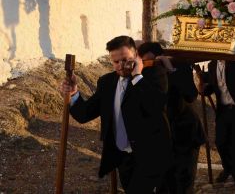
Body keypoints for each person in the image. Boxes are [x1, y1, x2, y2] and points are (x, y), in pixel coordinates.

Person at [60, 36, 171, 193]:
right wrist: (74, 94)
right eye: (115, 62)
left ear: (136, 56)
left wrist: (137, 76)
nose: (120, 66)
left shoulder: (153, 75)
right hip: (123, 157)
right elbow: (85, 114)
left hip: (150, 155)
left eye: (125, 60)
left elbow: (155, 105)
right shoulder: (106, 83)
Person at [137, 42, 205, 194]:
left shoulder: (178, 67)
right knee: (165, 181)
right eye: (145, 61)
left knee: (184, 180)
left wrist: (171, 70)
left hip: (186, 132)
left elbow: (191, 95)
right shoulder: (145, 72)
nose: (149, 64)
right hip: (164, 135)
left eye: (151, 60)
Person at [200, 59, 235, 191]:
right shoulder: (212, 64)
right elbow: (214, 86)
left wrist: (232, 60)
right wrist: (203, 89)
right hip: (224, 110)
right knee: (220, 142)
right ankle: (228, 168)